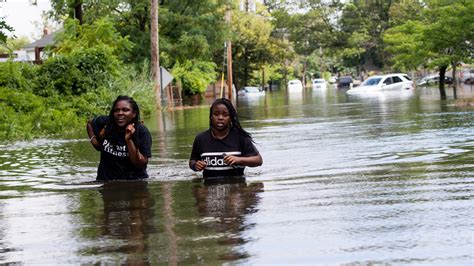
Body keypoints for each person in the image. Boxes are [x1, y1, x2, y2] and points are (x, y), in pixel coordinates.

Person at [189, 98, 263, 181]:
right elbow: (192, 161)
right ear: (211, 117)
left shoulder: (240, 138)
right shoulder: (201, 138)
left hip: (236, 187)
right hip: (209, 187)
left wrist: (239, 160)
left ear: (230, 118)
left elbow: (258, 160)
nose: (220, 117)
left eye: (225, 115)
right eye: (216, 114)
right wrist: (196, 165)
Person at [86, 95, 152, 181]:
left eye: (125, 110)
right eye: (116, 110)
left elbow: (140, 164)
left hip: (134, 184)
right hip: (105, 183)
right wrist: (95, 142)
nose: (120, 113)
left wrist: (128, 140)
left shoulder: (142, 132)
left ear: (134, 114)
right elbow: (90, 123)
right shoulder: (107, 123)